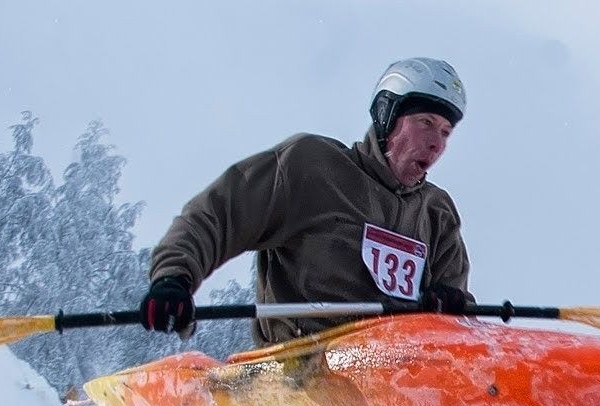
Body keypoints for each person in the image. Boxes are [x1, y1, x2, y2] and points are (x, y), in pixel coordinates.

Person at [141, 57, 473, 346]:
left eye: (446, 132)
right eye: (425, 123)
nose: (436, 143)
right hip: (299, 371)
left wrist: (450, 308)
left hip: (396, 377)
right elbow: (216, 216)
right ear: (387, 116)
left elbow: (454, 323)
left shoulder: (436, 214)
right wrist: (174, 279)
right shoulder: (311, 167)